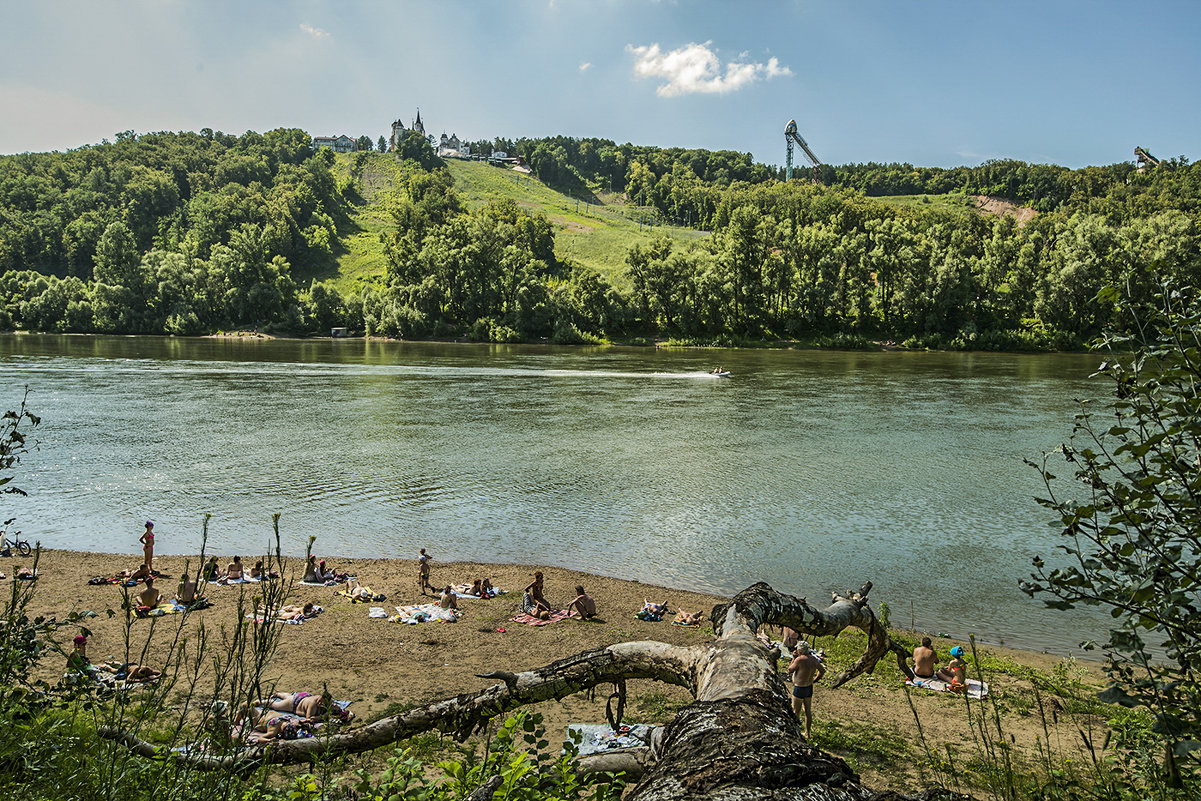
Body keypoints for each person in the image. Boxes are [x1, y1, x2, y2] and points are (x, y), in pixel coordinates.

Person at [787, 641, 826, 738]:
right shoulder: (814, 659)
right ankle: (807, 733)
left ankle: (796, 733)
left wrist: (794, 658)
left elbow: (790, 670)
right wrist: (814, 680)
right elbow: (822, 671)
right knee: (807, 711)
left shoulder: (800, 660)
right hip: (809, 687)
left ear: (800, 650)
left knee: (796, 711)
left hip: (799, 688)